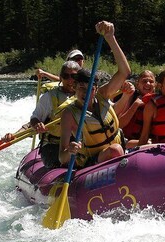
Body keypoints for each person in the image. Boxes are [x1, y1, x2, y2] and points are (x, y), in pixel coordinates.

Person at [59, 20, 131, 169]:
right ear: (74, 88)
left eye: (89, 88)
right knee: (115, 149)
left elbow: (124, 71)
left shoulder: (103, 95)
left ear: (96, 89)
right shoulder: (69, 113)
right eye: (81, 88)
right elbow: (62, 157)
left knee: (143, 145)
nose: (85, 93)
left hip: (120, 151)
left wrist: (110, 38)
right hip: (92, 163)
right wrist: (70, 150)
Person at [2, 60, 81, 168]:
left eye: (74, 76)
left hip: (76, 144)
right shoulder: (49, 97)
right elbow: (35, 118)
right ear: (61, 77)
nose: (70, 80)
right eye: (66, 76)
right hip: (53, 146)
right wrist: (37, 124)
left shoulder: (84, 96)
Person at [117, 70, 156, 140]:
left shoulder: (158, 101)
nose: (148, 84)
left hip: (149, 141)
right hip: (127, 141)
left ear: (155, 85)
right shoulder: (130, 97)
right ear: (137, 85)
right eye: (144, 81)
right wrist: (135, 105)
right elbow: (120, 124)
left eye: (151, 81)